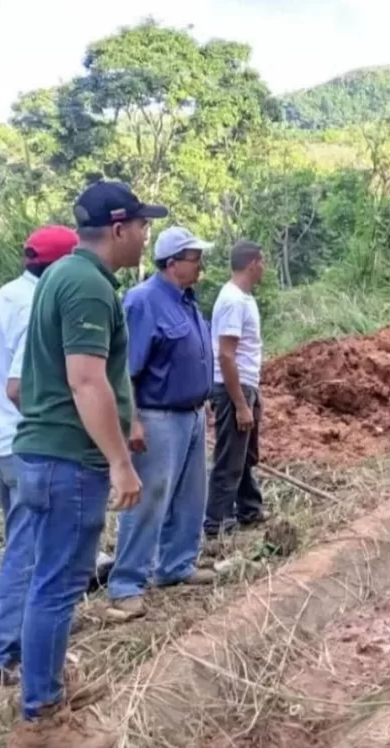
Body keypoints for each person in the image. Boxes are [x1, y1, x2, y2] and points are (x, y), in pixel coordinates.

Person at [8, 180, 163, 748]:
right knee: (57, 583)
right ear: (119, 229)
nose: (147, 235)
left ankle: (44, 689)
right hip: (68, 461)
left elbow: (24, 383)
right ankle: (42, 716)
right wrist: (119, 461)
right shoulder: (88, 289)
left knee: (51, 577)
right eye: (143, 225)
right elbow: (85, 379)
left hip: (51, 452)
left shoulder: (61, 277)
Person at [0, 225, 79, 686]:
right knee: (30, 552)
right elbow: (20, 387)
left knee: (22, 547)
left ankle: (8, 648)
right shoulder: (36, 305)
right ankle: (3, 657)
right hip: (24, 444)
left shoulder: (5, 296)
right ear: (58, 268)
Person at [106, 227, 217, 623]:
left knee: (190, 497)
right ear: (173, 263)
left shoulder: (187, 301)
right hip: (157, 416)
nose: (201, 264)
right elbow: (124, 370)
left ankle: (177, 566)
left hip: (191, 413)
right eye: (194, 258)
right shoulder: (143, 302)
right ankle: (126, 585)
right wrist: (132, 420)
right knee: (150, 499)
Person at [203, 240, 267, 537]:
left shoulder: (244, 298)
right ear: (252, 263)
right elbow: (226, 355)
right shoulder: (232, 300)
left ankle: (248, 509)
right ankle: (216, 523)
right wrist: (240, 403)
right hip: (234, 387)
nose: (264, 268)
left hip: (246, 384)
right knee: (230, 458)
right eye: (262, 262)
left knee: (245, 455)